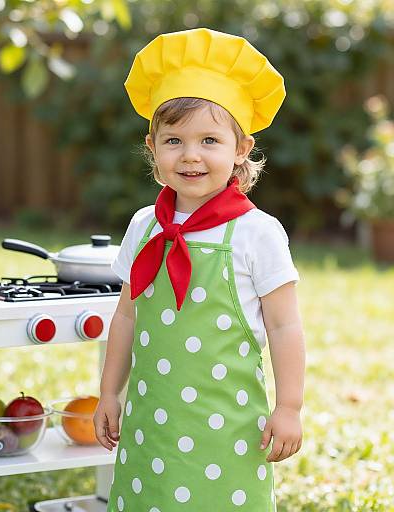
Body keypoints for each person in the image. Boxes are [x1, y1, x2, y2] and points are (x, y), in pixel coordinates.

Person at [94, 28, 305, 511]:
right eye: (174, 140)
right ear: (153, 147)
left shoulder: (258, 233)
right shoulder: (144, 225)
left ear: (241, 148)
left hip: (226, 427)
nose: (190, 155)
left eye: (209, 139)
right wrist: (109, 392)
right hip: (152, 421)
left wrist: (289, 407)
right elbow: (126, 315)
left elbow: (285, 325)